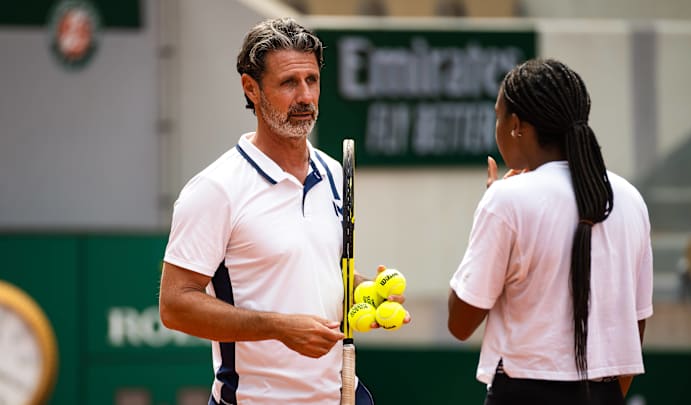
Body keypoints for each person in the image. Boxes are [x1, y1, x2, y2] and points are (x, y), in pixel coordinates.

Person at [159, 17, 408, 405]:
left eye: (312, 80)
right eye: (289, 83)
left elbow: (312, 268)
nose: (306, 96)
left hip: (340, 395)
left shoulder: (332, 171)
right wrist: (278, 328)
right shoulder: (216, 189)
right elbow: (175, 305)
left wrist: (364, 292)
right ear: (251, 88)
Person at [447, 58, 653, 405]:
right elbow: (635, 327)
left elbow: (460, 321)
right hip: (604, 395)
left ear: (516, 126)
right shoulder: (631, 199)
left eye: (498, 117)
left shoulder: (505, 200)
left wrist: (491, 214)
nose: (496, 127)